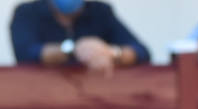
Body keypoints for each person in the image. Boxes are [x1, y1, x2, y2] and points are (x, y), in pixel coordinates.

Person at [10, 0, 151, 72]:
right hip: (41, 100)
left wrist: (111, 53)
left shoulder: (100, 12)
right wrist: (74, 50)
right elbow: (26, 53)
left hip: (95, 100)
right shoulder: (27, 13)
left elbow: (141, 52)